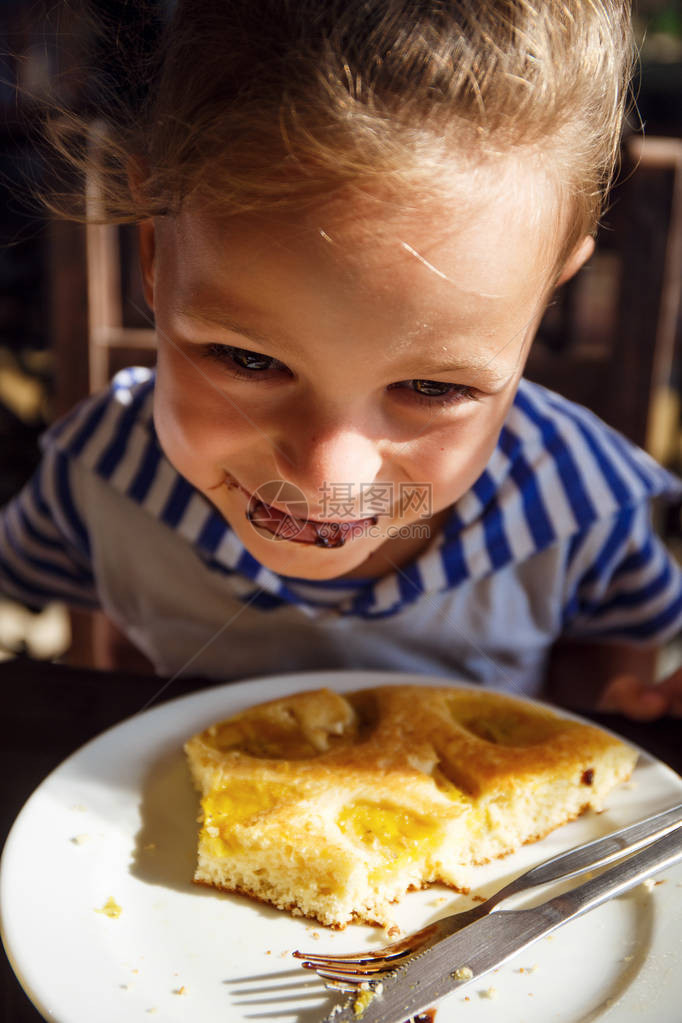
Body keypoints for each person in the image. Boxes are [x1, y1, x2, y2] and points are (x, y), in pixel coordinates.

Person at [2, 0, 681, 719]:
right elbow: (93, 675)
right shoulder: (100, 475)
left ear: (547, 291)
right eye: (247, 358)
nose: (325, 476)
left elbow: (612, 700)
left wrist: (639, 711)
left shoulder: (582, 503)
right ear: (152, 253)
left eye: (431, 385)